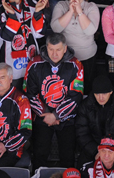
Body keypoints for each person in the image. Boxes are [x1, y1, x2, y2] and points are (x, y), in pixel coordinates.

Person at [24, 33, 84, 169]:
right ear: (46, 47)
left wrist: (56, 115)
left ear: (65, 48)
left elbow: (76, 95)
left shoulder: (76, 65)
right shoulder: (34, 63)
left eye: (58, 50)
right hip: (42, 117)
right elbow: (30, 93)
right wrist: (47, 114)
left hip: (66, 117)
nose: (54, 54)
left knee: (68, 156)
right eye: (51, 49)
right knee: (39, 154)